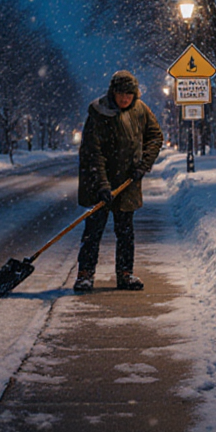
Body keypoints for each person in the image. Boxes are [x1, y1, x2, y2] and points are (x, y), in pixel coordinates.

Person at [74, 70, 163, 291]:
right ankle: (85, 274)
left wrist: (143, 164)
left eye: (129, 94)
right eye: (121, 93)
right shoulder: (98, 112)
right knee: (93, 231)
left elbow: (155, 137)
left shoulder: (141, 110)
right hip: (99, 183)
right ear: (113, 92)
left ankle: (125, 274)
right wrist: (103, 185)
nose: (125, 98)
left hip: (127, 183)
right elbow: (93, 153)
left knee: (125, 232)